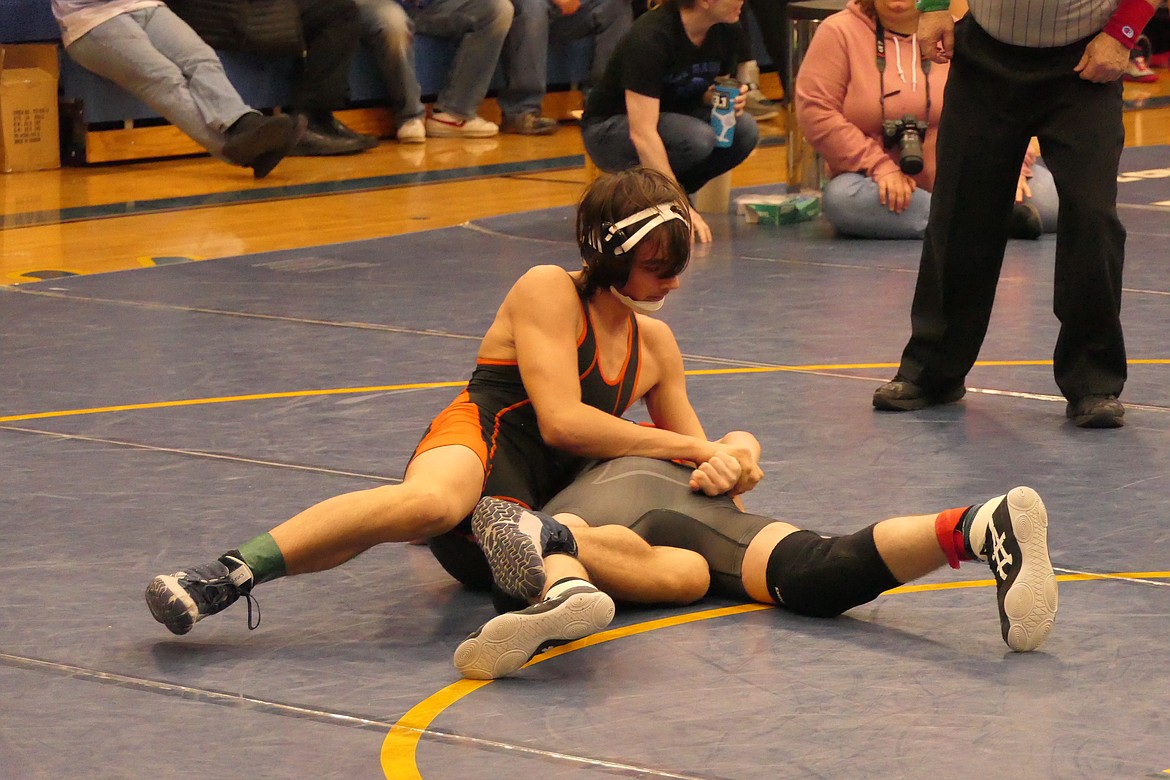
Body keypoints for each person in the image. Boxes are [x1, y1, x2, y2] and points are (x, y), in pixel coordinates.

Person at [143, 167, 763, 637]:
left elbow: (695, 466)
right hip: (484, 444)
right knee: (431, 502)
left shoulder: (655, 345)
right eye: (659, 267)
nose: (674, 282)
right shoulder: (547, 289)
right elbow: (564, 423)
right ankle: (227, 575)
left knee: (687, 571)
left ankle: (545, 587)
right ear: (609, 255)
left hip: (539, 525)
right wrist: (700, 447)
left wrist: (732, 456)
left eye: (678, 265)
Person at [453, 456, 1058, 679]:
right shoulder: (638, 333)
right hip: (674, 501)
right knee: (808, 573)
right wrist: (731, 455)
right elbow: (710, 440)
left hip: (606, 494)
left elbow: (559, 422)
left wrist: (731, 455)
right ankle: (980, 525)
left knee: (545, 542)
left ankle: (558, 567)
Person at [871, 0, 1161, 427]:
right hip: (985, 56)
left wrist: (1123, 33)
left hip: (1085, 59)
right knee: (959, 213)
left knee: (1092, 214)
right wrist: (931, 6)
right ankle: (933, 371)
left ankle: (1093, 380)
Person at [794, 0, 1058, 239]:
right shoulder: (838, 32)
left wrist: (1013, 167)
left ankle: (965, 218)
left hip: (966, 175)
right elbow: (816, 112)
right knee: (842, 200)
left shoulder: (959, 32)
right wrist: (878, 166)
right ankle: (984, 219)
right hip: (879, 182)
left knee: (1049, 202)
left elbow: (1003, 109)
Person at [50, 0, 305, 179]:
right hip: (89, 20)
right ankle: (242, 149)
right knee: (163, 78)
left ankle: (245, 124)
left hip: (144, 5)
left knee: (200, 57)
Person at [580, 0, 762, 243]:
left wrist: (723, 99)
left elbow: (707, 88)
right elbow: (642, 133)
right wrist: (679, 205)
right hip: (611, 129)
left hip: (675, 124)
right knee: (697, 138)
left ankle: (657, 194)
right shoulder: (651, 37)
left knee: (743, 131)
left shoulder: (726, 28)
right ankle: (661, 198)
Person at [168, 0, 380, 155]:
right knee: (339, 12)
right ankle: (310, 121)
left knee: (338, 7)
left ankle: (318, 117)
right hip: (222, 13)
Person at [352, 0, 512, 141]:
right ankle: (410, 117)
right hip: (378, 4)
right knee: (393, 23)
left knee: (497, 8)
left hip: (430, 5)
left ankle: (454, 114)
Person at [497, 0, 634, 135]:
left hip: (569, 12)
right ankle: (520, 111)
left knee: (616, 4)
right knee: (532, 5)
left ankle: (600, 107)